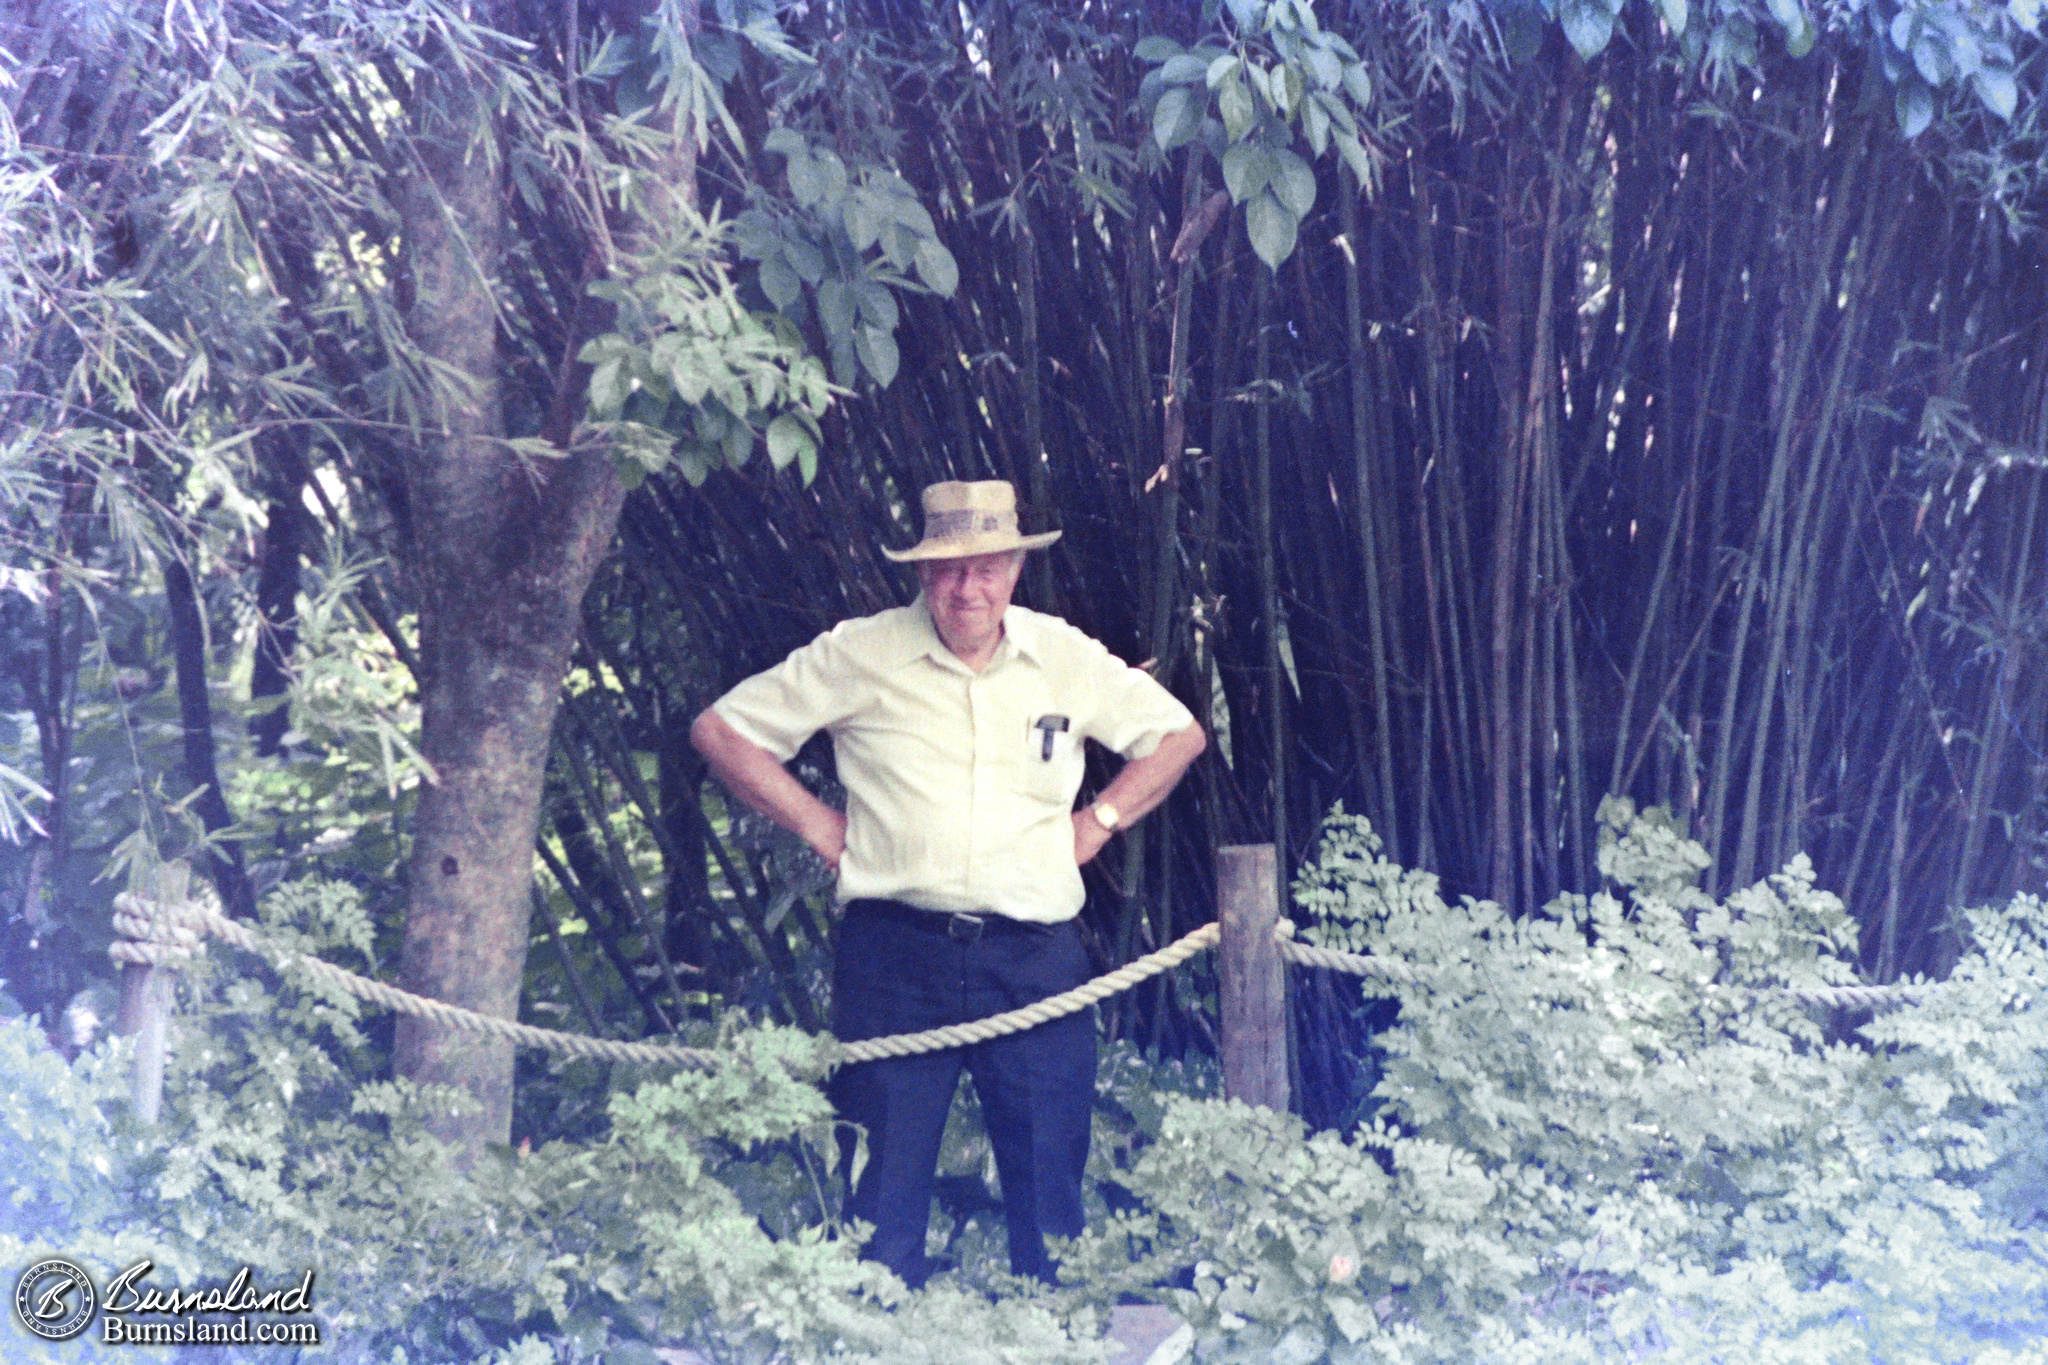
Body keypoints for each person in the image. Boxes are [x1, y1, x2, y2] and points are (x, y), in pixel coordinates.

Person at [690, 479, 1205, 1287]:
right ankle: (877, 1330)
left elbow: (1177, 734)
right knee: (881, 1192)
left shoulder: (1059, 654)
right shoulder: (862, 651)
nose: (969, 587)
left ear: (1014, 568)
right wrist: (820, 824)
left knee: (1049, 1192)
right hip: (895, 957)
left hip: (1034, 958)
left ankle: (1050, 1333)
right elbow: (724, 730)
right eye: (949, 568)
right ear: (922, 572)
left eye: (988, 565)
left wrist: (1096, 824)